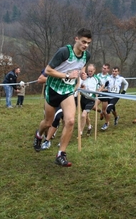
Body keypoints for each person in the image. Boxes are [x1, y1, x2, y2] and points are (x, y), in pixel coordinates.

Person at [32, 28, 92, 167]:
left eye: (88, 43)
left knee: (70, 121)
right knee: (48, 122)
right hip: (53, 89)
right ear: (76, 39)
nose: (86, 45)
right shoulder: (64, 52)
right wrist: (66, 75)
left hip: (67, 91)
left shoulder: (86, 55)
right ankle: (38, 135)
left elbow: (80, 66)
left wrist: (82, 74)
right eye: (83, 42)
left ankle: (61, 154)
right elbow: (48, 70)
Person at [101, 66, 128, 130]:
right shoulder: (108, 78)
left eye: (116, 71)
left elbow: (126, 84)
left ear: (118, 72)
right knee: (113, 109)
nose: (114, 72)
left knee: (108, 108)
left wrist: (124, 91)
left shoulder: (121, 78)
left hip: (116, 95)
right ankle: (116, 117)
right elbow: (104, 85)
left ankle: (106, 124)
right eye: (113, 71)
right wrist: (106, 85)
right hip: (109, 94)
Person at [79, 64, 102, 136]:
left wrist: (98, 91)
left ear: (94, 70)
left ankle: (80, 132)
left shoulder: (97, 78)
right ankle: (89, 126)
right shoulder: (84, 77)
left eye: (91, 71)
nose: (90, 72)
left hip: (91, 99)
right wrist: (82, 87)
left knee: (83, 115)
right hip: (83, 98)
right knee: (86, 115)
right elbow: (79, 85)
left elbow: (102, 85)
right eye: (88, 71)